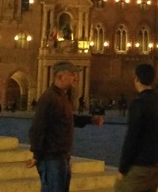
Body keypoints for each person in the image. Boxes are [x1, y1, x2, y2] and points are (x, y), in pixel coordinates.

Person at [27, 61, 104, 192]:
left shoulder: (60, 96)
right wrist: (37, 154)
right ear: (61, 76)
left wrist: (90, 119)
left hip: (60, 157)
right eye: (72, 74)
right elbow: (38, 128)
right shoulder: (49, 98)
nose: (76, 77)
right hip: (51, 158)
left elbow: (68, 119)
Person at [115, 63, 158, 192]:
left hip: (139, 165)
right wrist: (157, 150)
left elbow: (132, 138)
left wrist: (122, 169)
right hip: (156, 165)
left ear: (136, 78)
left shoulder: (138, 103)